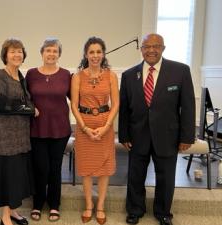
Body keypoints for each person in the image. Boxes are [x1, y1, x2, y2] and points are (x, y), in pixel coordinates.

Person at [118, 33, 195, 225]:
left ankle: (163, 213)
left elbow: (187, 106)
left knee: (166, 178)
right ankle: (135, 210)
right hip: (137, 135)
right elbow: (125, 108)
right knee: (135, 176)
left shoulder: (181, 71)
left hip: (168, 136)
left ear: (163, 48)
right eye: (146, 46)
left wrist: (187, 137)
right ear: (141, 49)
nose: (151, 50)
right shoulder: (129, 75)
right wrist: (124, 134)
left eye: (156, 46)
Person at [71, 37, 119, 225]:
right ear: (85, 54)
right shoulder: (77, 77)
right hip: (84, 126)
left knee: (104, 169)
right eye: (92, 52)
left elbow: (116, 104)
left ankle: (100, 206)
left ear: (104, 54)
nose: (95, 55)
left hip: (105, 125)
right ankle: (89, 205)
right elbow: (74, 105)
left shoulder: (111, 76)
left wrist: (106, 127)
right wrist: (83, 127)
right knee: (86, 169)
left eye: (99, 52)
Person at [25, 38, 71, 222]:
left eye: (55, 51)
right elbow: (24, 97)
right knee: (40, 168)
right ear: (42, 53)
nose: (51, 54)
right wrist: (30, 108)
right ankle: (37, 203)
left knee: (55, 168)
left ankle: (54, 205)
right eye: (48, 50)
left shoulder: (67, 74)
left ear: (59, 54)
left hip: (60, 129)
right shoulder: (31, 74)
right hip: (37, 129)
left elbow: (75, 100)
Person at [0, 38, 35, 225]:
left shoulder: (21, 76)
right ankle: (5, 216)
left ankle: (14, 212)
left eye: (19, 51)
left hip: (22, 136)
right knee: (8, 177)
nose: (17, 55)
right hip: (7, 137)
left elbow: (25, 102)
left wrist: (29, 107)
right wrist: (28, 108)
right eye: (12, 51)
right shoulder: (1, 75)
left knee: (18, 177)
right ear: (5, 55)